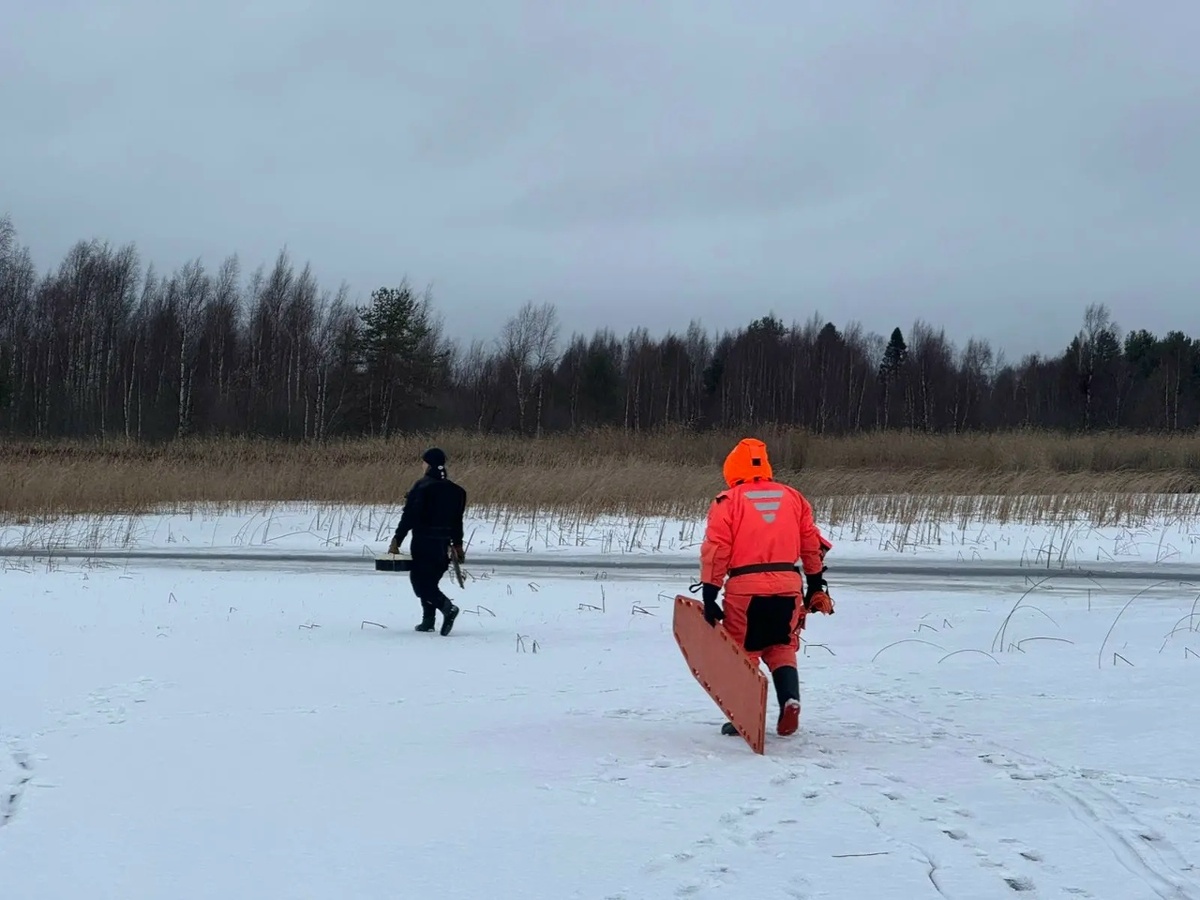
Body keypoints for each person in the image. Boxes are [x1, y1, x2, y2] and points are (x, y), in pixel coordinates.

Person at [697, 437, 834, 738]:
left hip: (745, 589)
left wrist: (709, 593)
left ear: (732, 468)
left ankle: (743, 716)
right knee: (782, 647)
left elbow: (717, 550)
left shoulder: (727, 502)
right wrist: (815, 585)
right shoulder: (794, 497)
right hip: (788, 585)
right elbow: (811, 544)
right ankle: (790, 700)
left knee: (742, 651)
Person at [387, 447, 467, 635]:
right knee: (430, 581)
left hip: (424, 542)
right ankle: (428, 621)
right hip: (443, 545)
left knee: (420, 583)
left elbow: (409, 516)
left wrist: (397, 539)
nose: (421, 466)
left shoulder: (422, 487)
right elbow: (457, 521)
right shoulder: (457, 491)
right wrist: (458, 545)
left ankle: (447, 608)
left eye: (423, 462)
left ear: (428, 464)